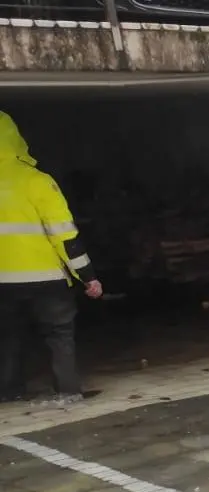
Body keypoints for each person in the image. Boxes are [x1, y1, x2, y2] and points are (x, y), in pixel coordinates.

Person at [0, 111, 103, 405]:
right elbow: (64, 236)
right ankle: (67, 390)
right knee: (59, 334)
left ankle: (8, 390)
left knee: (8, 334)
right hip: (47, 278)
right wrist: (88, 276)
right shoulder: (37, 182)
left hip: (2, 281)